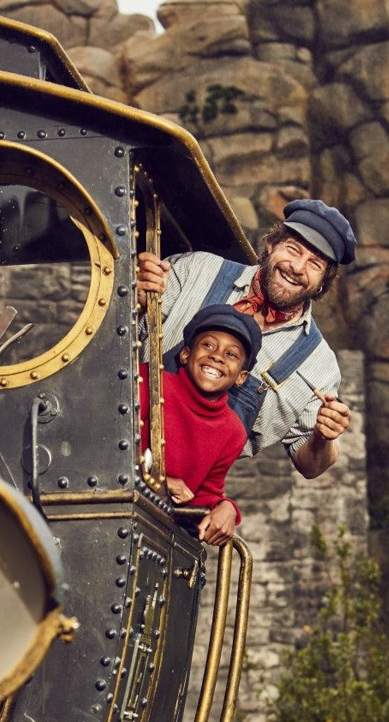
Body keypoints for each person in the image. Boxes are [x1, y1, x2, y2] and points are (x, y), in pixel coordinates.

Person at [137, 198, 356, 542]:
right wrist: (134, 297)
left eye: (315, 264)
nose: (298, 267)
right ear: (270, 245)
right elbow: (121, 346)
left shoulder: (319, 366)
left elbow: (310, 465)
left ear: (323, 283)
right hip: (118, 460)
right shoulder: (196, 270)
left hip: (178, 515)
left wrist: (324, 438)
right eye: (293, 249)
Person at [139, 304, 262, 546]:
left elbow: (205, 495)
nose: (217, 356)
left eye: (231, 354)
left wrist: (226, 506)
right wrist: (156, 480)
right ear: (186, 354)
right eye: (208, 345)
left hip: (156, 537)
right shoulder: (148, 381)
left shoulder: (233, 432)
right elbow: (106, 447)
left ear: (241, 377)